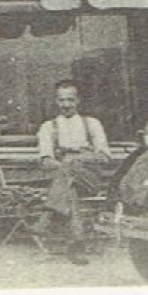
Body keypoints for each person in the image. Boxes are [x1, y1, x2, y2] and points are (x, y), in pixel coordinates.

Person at [35, 79, 114, 264]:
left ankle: (46, 217)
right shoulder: (48, 127)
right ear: (56, 101)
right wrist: (66, 165)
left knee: (69, 169)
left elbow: (105, 157)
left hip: (90, 179)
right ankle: (77, 244)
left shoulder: (92, 124)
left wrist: (78, 159)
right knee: (70, 191)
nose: (66, 105)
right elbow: (46, 161)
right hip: (65, 182)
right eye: (62, 100)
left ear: (78, 101)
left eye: (70, 100)